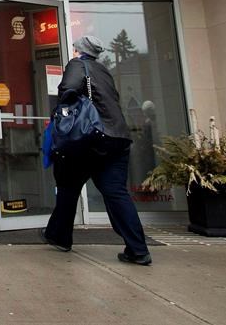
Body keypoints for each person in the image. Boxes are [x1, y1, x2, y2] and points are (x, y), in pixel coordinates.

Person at [42, 35, 153, 266]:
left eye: (75, 48)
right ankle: (138, 249)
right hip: (117, 138)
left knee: (67, 187)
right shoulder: (104, 70)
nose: (73, 51)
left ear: (80, 50)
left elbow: (67, 90)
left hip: (90, 138)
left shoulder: (77, 65)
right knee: (116, 193)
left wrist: (63, 117)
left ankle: (60, 237)